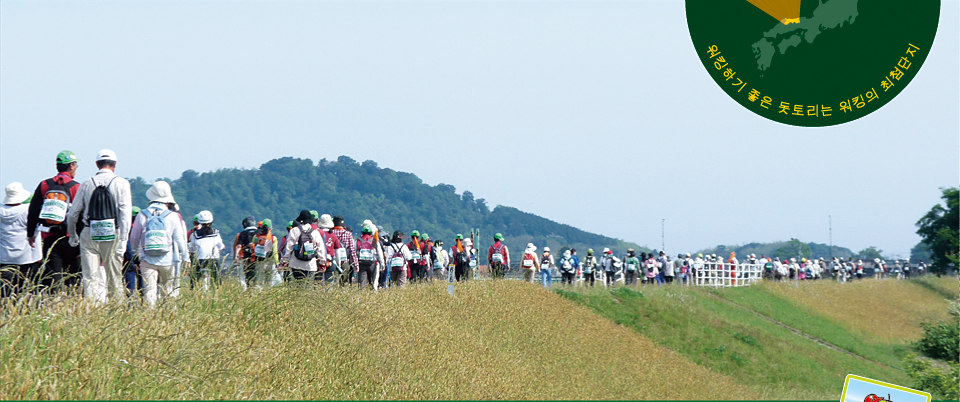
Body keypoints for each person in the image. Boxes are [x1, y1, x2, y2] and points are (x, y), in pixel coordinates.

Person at [66, 149, 132, 304]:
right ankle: (117, 308)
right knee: (114, 275)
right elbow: (125, 213)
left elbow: (72, 214)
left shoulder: (87, 183)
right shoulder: (122, 183)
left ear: (97, 164)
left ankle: (93, 310)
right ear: (114, 164)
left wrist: (73, 236)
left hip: (89, 231)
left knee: (90, 277)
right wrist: (123, 239)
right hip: (112, 232)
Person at [26, 150, 83, 292]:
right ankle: (71, 305)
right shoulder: (77, 187)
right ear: (71, 166)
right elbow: (81, 216)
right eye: (76, 165)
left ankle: (53, 305)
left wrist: (30, 234)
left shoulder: (44, 185)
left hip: (50, 237)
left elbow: (33, 211)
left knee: (54, 277)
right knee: (73, 277)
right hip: (71, 239)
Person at [129, 181, 188, 308]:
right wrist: (186, 257)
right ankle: (170, 316)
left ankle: (150, 318)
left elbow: (134, 237)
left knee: (150, 290)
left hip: (147, 258)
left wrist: (135, 254)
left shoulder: (142, 214)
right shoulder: (172, 216)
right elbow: (180, 239)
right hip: (168, 260)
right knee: (169, 290)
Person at [1, 182, 43, 297]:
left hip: (5, 258)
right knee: (27, 291)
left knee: (6, 293)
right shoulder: (28, 209)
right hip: (28, 257)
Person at [282, 210, 326, 282]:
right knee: (307, 285)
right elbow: (320, 249)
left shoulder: (294, 231)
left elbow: (289, 247)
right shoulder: (315, 233)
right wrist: (322, 263)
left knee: (297, 285)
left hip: (295, 263)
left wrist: (285, 260)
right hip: (310, 265)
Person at [188, 210, 224, 290]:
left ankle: (193, 289)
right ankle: (218, 289)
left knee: (194, 277)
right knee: (217, 277)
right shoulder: (216, 233)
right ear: (211, 221)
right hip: (213, 259)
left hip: (200, 260)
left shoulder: (195, 234)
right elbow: (220, 246)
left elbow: (191, 247)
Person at [251, 219, 279, 289]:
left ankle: (258, 295)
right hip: (270, 262)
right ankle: (267, 295)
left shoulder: (256, 237)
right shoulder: (273, 238)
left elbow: (253, 246)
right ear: (271, 228)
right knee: (269, 282)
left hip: (260, 262)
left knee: (259, 281)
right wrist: (277, 263)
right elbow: (275, 252)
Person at [122, 206, 143, 297]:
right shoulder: (141, 228)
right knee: (142, 283)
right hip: (140, 259)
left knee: (129, 284)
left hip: (126, 260)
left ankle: (130, 302)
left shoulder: (125, 228)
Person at [232, 216, 259, 289]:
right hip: (260, 258)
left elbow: (238, 246)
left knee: (248, 276)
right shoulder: (260, 232)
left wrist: (236, 257)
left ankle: (250, 289)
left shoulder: (243, 234)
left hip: (247, 258)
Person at [331, 216, 359, 285]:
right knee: (345, 282)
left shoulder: (331, 233)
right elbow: (352, 250)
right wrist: (356, 264)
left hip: (332, 261)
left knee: (334, 282)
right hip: (345, 261)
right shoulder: (348, 234)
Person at [355, 225, 382, 290]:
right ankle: (372, 294)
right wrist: (382, 263)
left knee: (362, 283)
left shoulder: (358, 240)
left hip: (361, 263)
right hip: (372, 263)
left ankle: (361, 296)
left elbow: (354, 252)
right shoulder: (374, 241)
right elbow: (379, 253)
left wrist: (355, 263)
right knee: (372, 281)